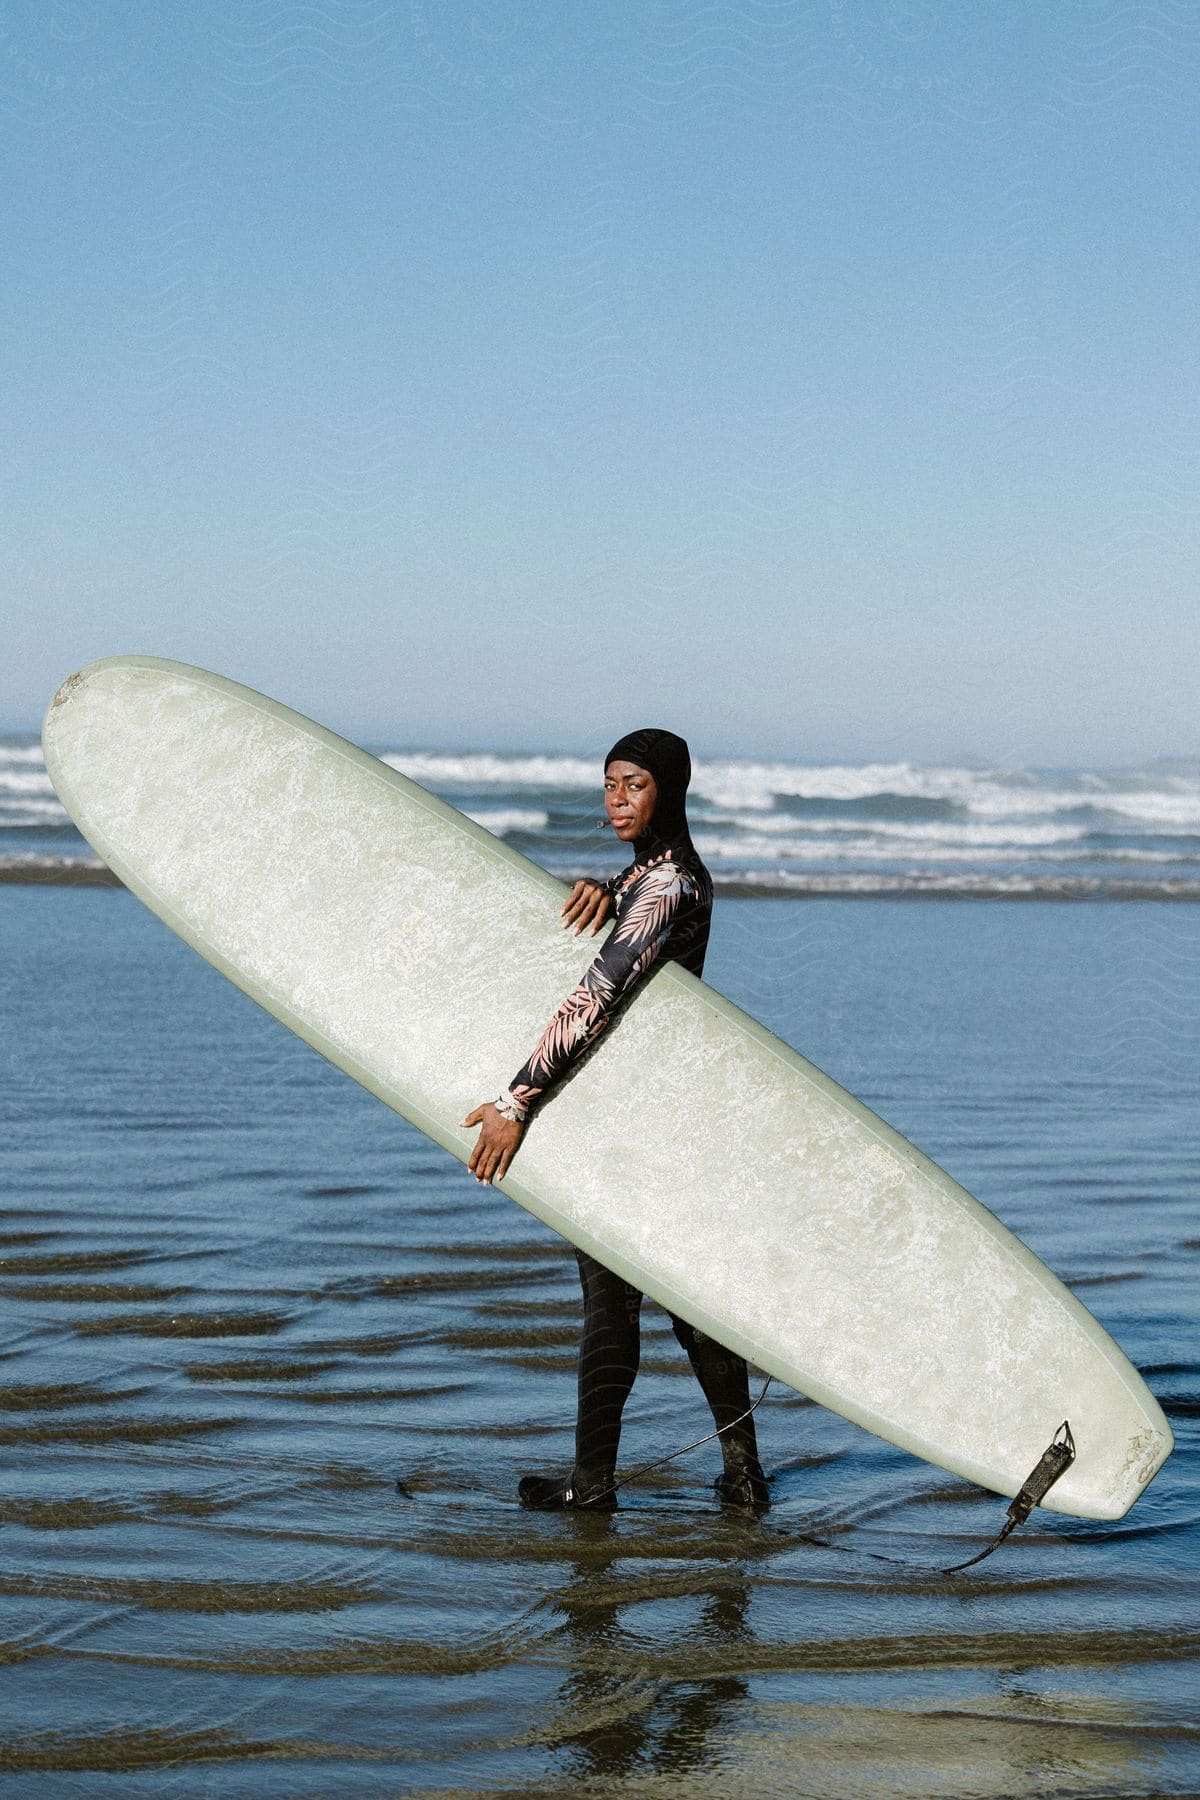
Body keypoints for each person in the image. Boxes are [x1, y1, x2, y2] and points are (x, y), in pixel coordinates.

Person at [462, 729, 770, 1513]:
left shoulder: (667, 886)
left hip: (635, 1125)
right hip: (664, 1116)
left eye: (634, 786)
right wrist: (607, 885)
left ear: (668, 789)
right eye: (608, 787)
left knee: (611, 1299)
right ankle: (742, 1477)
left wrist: (513, 1101)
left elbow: (598, 994)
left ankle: (593, 1487)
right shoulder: (658, 877)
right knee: (685, 1304)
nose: (616, 802)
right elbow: (638, 921)